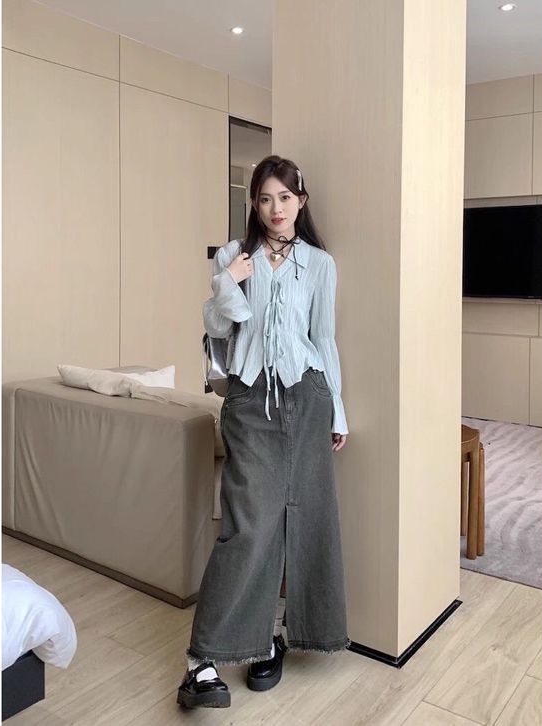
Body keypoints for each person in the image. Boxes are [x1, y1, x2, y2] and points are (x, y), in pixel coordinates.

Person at [177, 155, 350, 709]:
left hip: (309, 396)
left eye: (285, 197)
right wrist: (229, 281)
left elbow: (324, 339)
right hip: (251, 401)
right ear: (253, 203)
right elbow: (216, 324)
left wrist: (337, 411)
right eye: (265, 198)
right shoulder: (235, 255)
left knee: (303, 519)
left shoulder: (320, 264)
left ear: (301, 201)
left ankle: (270, 640)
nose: (276, 208)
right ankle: (201, 662)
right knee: (249, 527)